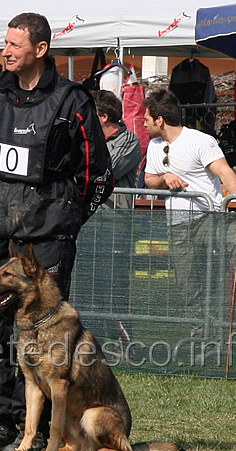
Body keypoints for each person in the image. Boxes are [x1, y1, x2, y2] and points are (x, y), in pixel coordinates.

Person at [0, 13, 114, 451]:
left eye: (15, 45)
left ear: (40, 50)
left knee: (48, 341)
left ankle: (43, 431)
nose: (5, 51)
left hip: (47, 240)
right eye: (4, 43)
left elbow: (99, 173)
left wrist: (68, 217)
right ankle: (1, 423)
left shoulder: (70, 100)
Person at [143, 89, 236, 332]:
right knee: (188, 283)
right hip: (178, 225)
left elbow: (225, 172)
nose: (143, 124)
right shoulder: (154, 146)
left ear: (159, 120)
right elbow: (150, 180)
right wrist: (166, 177)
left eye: (146, 119)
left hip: (208, 218)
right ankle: (200, 334)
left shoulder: (200, 140)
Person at [86, 90, 142, 352]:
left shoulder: (128, 140)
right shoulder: (87, 138)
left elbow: (104, 170)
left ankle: (125, 342)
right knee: (90, 283)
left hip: (115, 224)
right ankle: (93, 338)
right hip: (89, 222)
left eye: (90, 115)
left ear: (104, 116)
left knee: (114, 283)